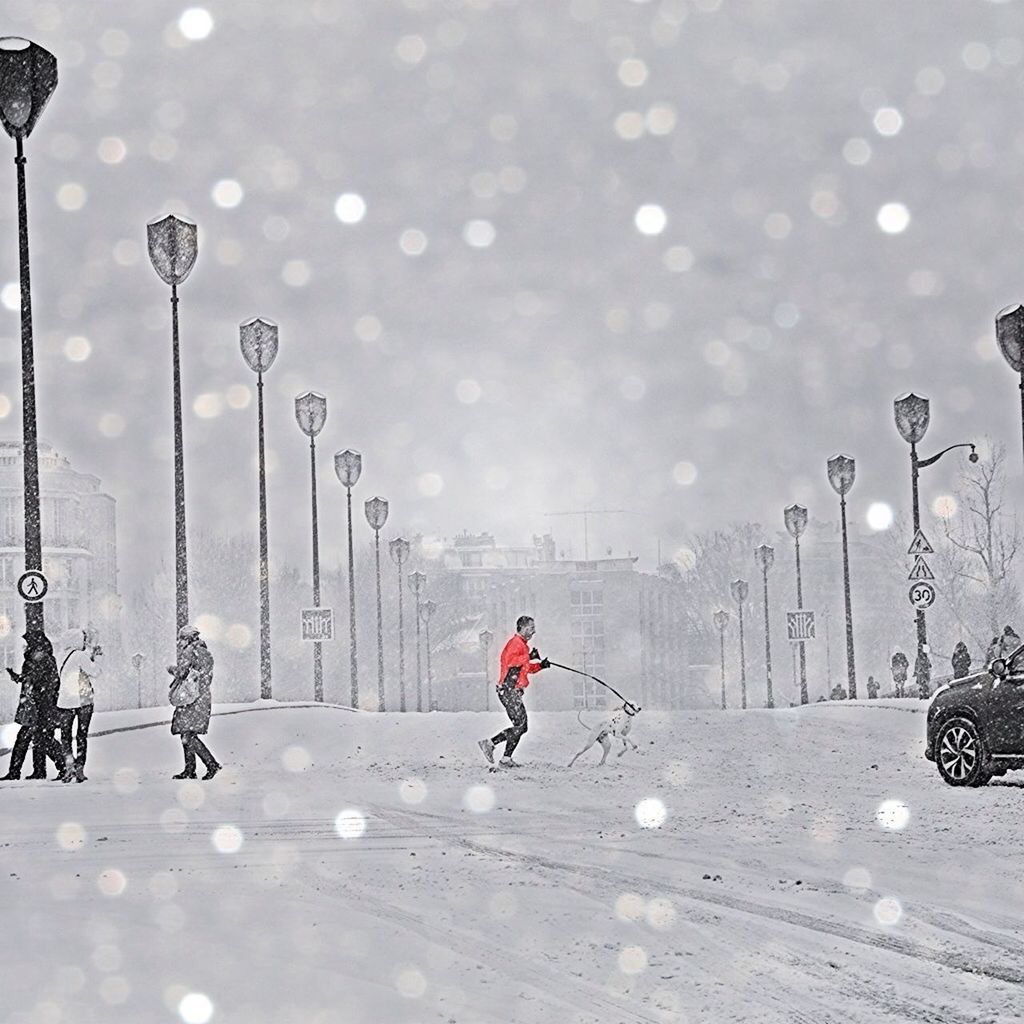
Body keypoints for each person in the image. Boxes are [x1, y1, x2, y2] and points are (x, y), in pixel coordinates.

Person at [477, 615, 549, 767]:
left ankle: (505, 759)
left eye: (534, 628)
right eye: (530, 628)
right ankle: (490, 743)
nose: (533, 632)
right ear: (521, 628)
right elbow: (510, 662)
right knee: (521, 726)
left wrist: (541, 665)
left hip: (512, 690)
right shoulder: (516, 643)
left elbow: (525, 668)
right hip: (508, 689)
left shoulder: (522, 646)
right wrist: (529, 656)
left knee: (520, 726)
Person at [2, 631, 71, 782]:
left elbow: (48, 682)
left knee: (35, 739)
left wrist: (39, 694)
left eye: (28, 643)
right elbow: (32, 679)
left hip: (40, 707)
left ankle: (62, 767)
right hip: (35, 706)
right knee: (39, 739)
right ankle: (41, 770)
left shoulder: (42, 658)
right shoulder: (37, 658)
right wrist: (18, 677)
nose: (26, 646)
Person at [167, 624, 221, 780]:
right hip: (201, 697)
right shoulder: (205, 653)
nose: (179, 641)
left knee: (188, 736)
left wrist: (171, 669)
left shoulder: (189, 652)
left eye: (182, 638)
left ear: (189, 638)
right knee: (187, 733)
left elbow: (182, 673)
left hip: (190, 699)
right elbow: (205, 677)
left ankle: (211, 764)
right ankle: (190, 769)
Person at [55, 628, 103, 783]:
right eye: (82, 639)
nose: (84, 642)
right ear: (77, 640)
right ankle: (80, 770)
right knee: (81, 736)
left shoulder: (61, 656)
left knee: (65, 737)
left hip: (64, 702)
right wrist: (95, 658)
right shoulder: (81, 656)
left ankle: (69, 768)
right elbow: (95, 672)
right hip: (82, 702)